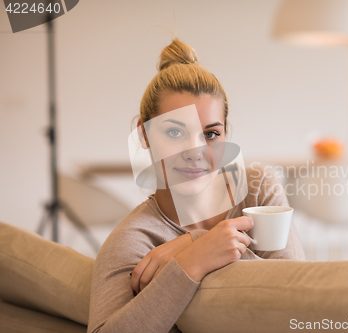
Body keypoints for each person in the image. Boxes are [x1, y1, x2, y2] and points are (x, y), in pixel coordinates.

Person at [87, 38, 306, 333]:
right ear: (144, 134)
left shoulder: (257, 187)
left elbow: (296, 300)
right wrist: (188, 265)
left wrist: (198, 242)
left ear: (226, 133)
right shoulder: (135, 241)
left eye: (211, 134)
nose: (195, 151)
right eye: (175, 131)